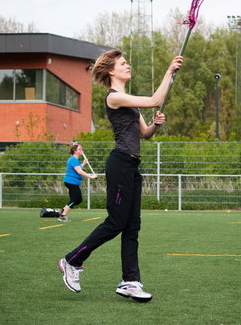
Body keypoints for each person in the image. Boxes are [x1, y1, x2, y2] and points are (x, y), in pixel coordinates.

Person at [57, 49, 183, 302]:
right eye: (123, 63)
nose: (128, 66)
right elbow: (155, 100)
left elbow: (145, 134)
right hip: (119, 165)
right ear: (112, 71)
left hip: (132, 166)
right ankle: (72, 260)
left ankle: (130, 281)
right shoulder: (114, 98)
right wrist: (169, 72)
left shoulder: (128, 103)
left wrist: (156, 124)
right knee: (116, 222)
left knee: (132, 226)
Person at [58, 143, 97, 222]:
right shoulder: (73, 159)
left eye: (81, 149)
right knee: (75, 199)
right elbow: (80, 172)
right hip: (71, 182)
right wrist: (91, 176)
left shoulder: (75, 160)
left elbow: (78, 168)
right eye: (79, 149)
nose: (81, 151)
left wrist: (83, 163)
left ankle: (63, 210)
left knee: (78, 199)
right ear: (75, 151)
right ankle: (63, 215)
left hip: (74, 182)